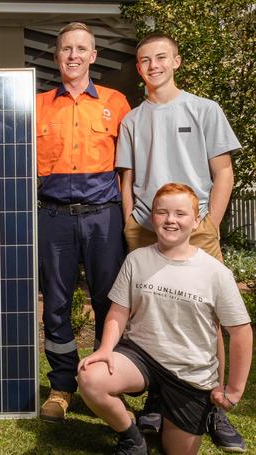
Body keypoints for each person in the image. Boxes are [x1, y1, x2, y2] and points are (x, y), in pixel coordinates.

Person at [116, 32, 244, 451]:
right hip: (145, 228)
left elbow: (223, 171)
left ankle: (216, 407)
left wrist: (210, 223)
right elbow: (128, 180)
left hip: (196, 227)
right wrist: (129, 226)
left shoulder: (204, 109)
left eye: (160, 58)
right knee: (146, 314)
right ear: (139, 68)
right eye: (144, 60)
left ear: (176, 62)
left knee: (211, 318)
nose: (152, 65)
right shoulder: (132, 120)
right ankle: (156, 401)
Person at [77, 183, 252, 455]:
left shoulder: (216, 273)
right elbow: (119, 311)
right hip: (141, 357)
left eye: (180, 214)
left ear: (196, 221)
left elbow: (241, 332)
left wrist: (235, 389)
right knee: (91, 377)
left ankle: (185, 410)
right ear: (153, 218)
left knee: (176, 451)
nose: (171, 220)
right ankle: (131, 438)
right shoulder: (136, 260)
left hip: (189, 374)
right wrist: (105, 349)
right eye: (162, 212)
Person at [36, 22, 131, 422]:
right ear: (57, 56)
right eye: (65, 49)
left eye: (81, 49)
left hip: (104, 218)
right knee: (55, 306)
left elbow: (129, 169)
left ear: (93, 56)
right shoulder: (37, 104)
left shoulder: (117, 102)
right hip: (53, 218)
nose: (73, 55)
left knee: (110, 303)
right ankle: (62, 387)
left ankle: (109, 380)